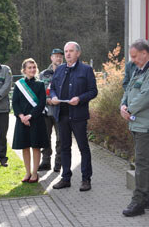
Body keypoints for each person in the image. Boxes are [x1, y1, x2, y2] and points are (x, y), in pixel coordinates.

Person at [120, 39, 149, 217]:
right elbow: (128, 90)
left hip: (148, 125)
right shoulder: (140, 69)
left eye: (134, 56)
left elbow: (147, 96)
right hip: (137, 123)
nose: (132, 60)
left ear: (144, 53)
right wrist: (123, 106)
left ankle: (138, 202)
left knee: (142, 163)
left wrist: (130, 108)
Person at [50, 41, 98, 192]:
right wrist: (54, 96)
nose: (68, 54)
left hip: (78, 115)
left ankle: (86, 179)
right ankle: (65, 178)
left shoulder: (86, 70)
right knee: (64, 147)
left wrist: (80, 99)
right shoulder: (59, 70)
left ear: (78, 53)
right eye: (66, 51)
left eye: (71, 51)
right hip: (62, 114)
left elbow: (93, 91)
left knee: (83, 147)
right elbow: (52, 88)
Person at [12, 58, 49, 183]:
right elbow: (15, 103)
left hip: (36, 120)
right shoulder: (19, 85)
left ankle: (34, 173)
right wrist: (22, 116)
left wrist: (30, 116)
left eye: (34, 67)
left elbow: (42, 104)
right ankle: (27, 172)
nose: (32, 70)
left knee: (36, 147)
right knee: (25, 147)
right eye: (29, 68)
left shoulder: (40, 84)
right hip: (22, 120)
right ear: (24, 70)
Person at [38, 48, 63, 172]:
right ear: (51, 58)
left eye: (60, 56)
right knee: (45, 137)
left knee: (61, 139)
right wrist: (46, 99)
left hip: (60, 111)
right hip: (46, 111)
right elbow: (39, 91)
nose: (58, 58)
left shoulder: (65, 71)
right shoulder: (43, 74)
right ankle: (45, 161)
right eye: (56, 56)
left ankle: (58, 163)